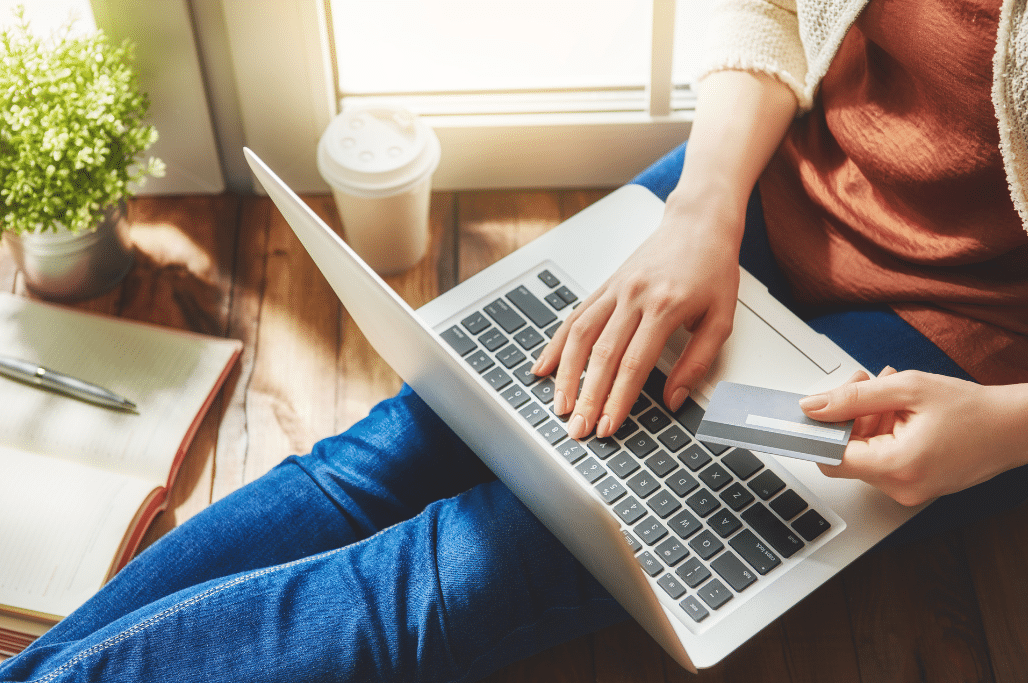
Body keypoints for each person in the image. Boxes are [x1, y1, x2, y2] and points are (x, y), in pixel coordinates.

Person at [3, 0, 1027, 681]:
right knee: (399, 444)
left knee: (467, 565)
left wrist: (1001, 428)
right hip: (763, 179)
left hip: (967, 346)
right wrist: (704, 205)